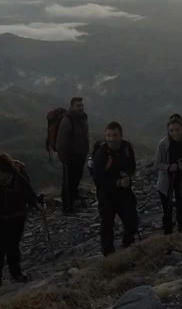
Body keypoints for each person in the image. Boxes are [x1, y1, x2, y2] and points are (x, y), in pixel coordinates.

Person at [0, 153, 41, 289]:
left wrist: (37, 204)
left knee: (12, 246)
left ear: (5, 171)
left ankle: (15, 273)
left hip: (16, 218)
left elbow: (30, 196)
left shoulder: (19, 180)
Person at [90, 121, 139, 255]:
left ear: (121, 135)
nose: (112, 139)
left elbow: (132, 165)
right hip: (106, 194)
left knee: (131, 220)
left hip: (124, 192)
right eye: (109, 136)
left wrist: (128, 174)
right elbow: (98, 179)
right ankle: (109, 254)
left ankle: (128, 245)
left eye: (115, 135)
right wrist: (117, 182)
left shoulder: (127, 148)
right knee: (107, 224)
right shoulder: (101, 154)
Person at [154, 113, 182, 235]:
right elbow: (157, 164)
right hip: (166, 182)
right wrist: (168, 167)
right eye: (171, 130)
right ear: (168, 131)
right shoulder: (163, 144)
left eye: (177, 130)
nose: (175, 133)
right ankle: (168, 236)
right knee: (167, 211)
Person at [55, 96, 91, 214]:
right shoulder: (67, 120)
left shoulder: (82, 117)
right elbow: (62, 141)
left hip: (80, 155)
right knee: (68, 182)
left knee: (76, 179)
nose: (80, 108)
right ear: (71, 107)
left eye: (81, 105)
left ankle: (73, 202)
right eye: (78, 106)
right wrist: (64, 158)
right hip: (70, 157)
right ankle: (67, 207)